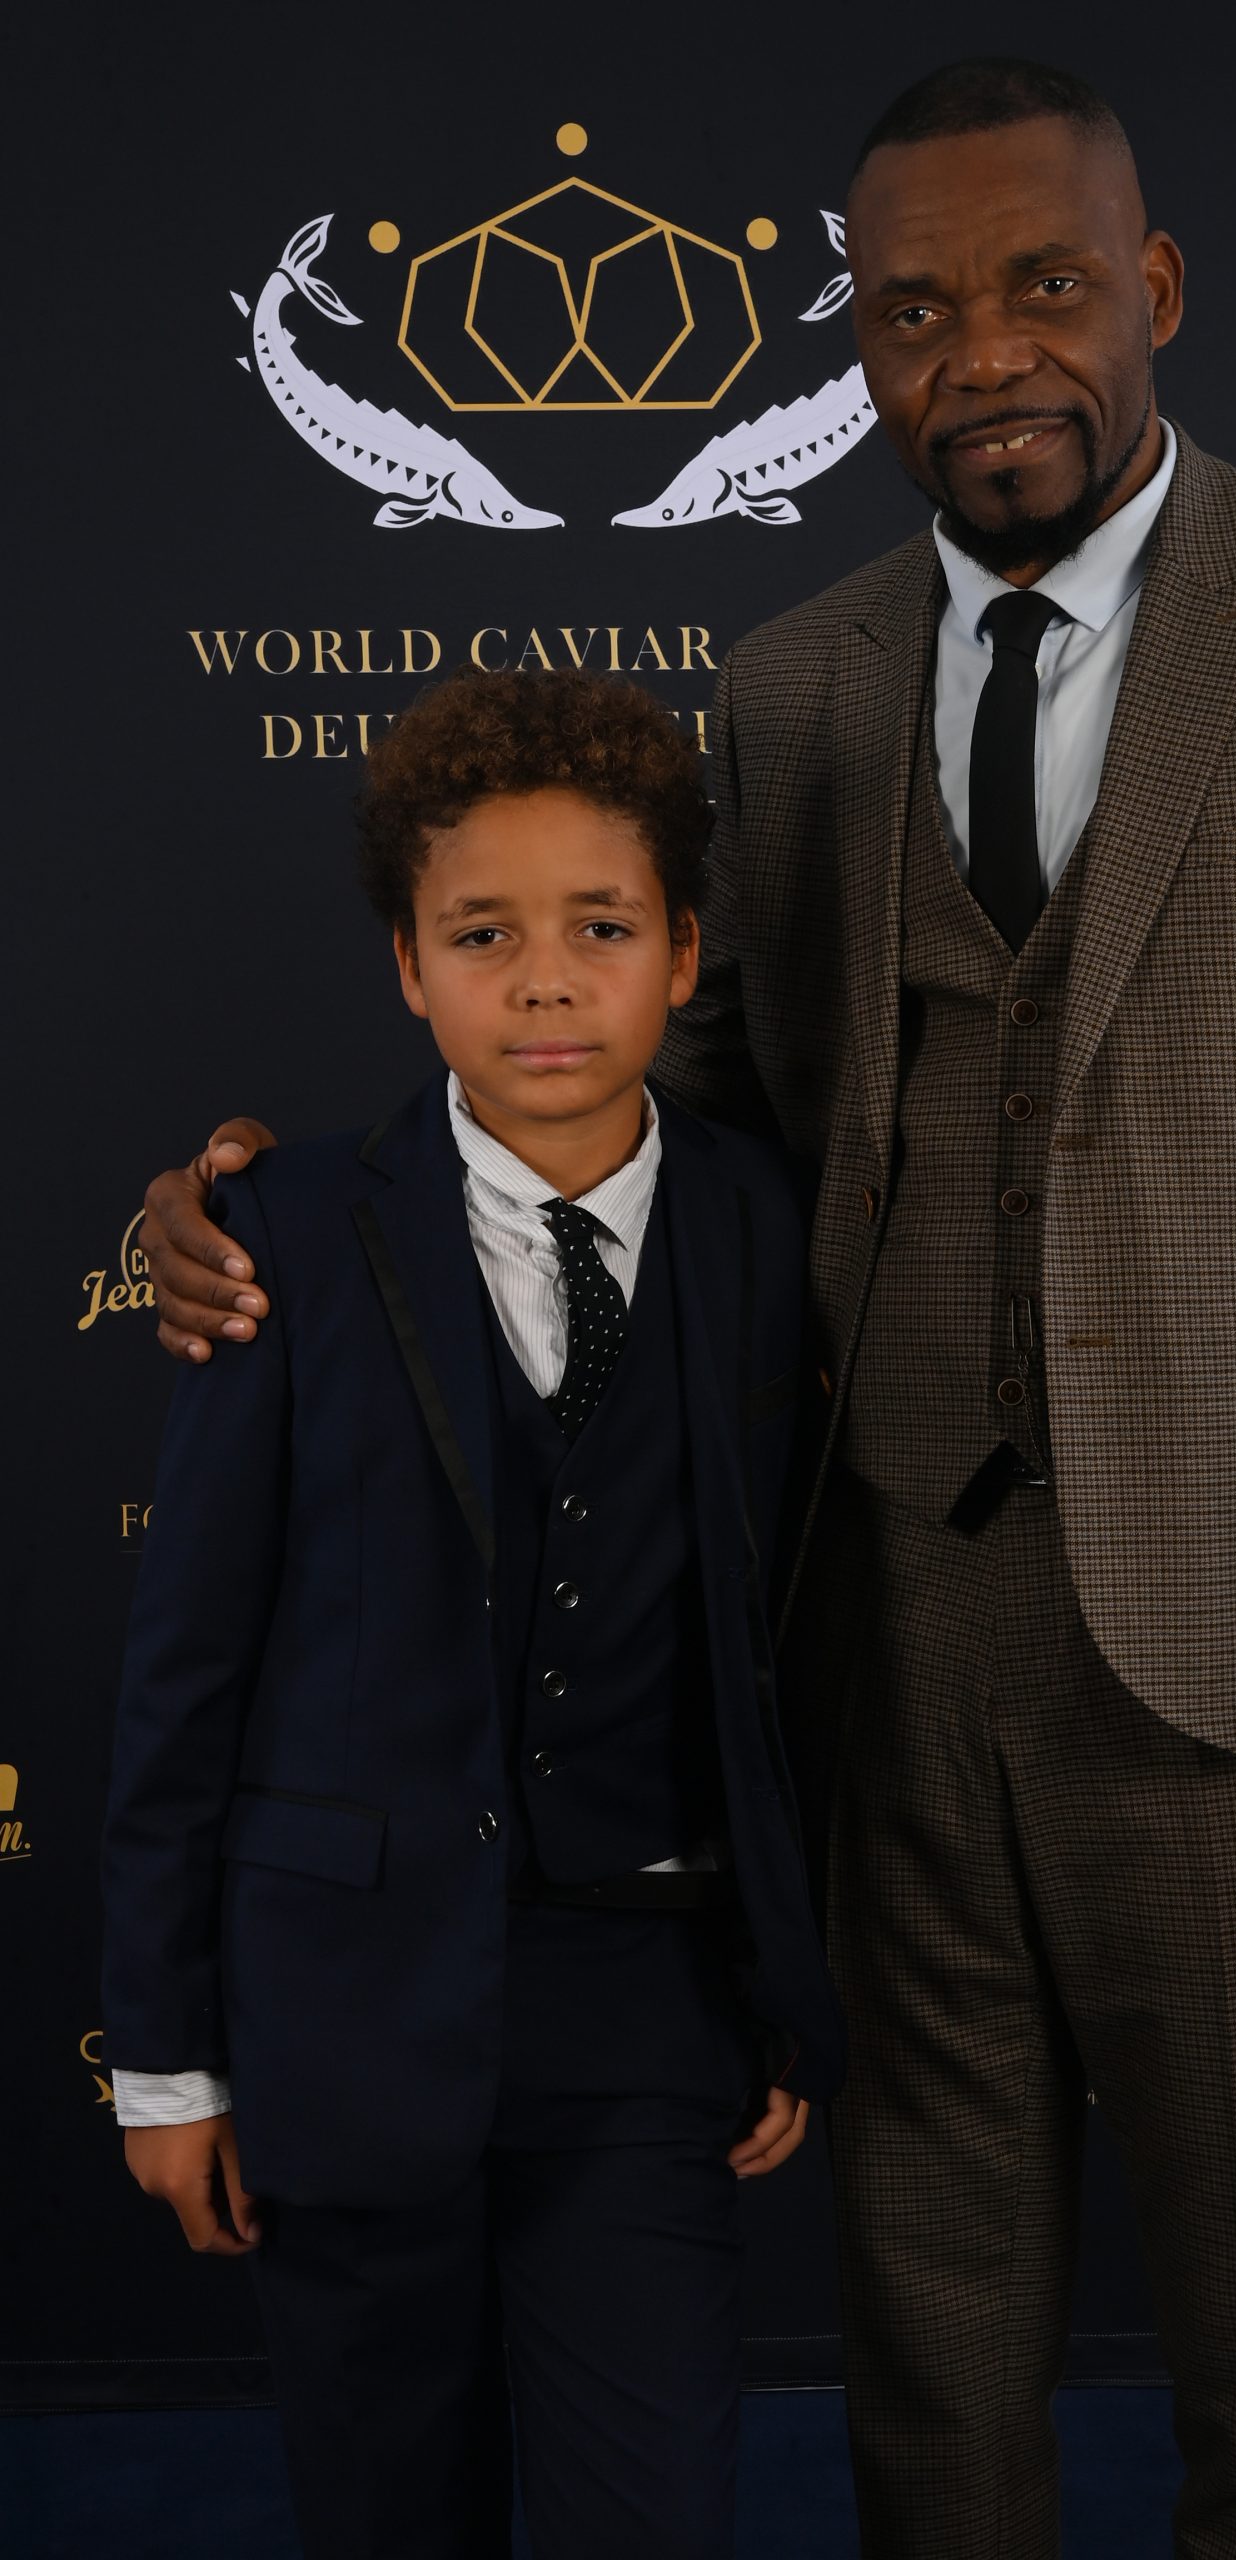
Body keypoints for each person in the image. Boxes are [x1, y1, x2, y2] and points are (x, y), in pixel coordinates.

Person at [139, 56, 1236, 2560]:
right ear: (861, 351)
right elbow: (649, 1105)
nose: (980, 351)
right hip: (874, 1675)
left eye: (1041, 285)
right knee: (930, 2389)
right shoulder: (794, 680)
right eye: (913, 311)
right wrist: (268, 1201)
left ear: (1150, 288)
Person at [104, 666, 842, 2560]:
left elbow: (802, 1641)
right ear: (408, 970)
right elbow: (187, 1675)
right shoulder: (279, 1235)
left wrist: (788, 1982)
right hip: (343, 2011)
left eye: (602, 928)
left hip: (651, 2008)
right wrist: (167, 2060)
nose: (544, 983)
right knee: (386, 2513)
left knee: (650, 2512)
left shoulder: (775, 1225)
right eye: (482, 935)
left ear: (685, 956)